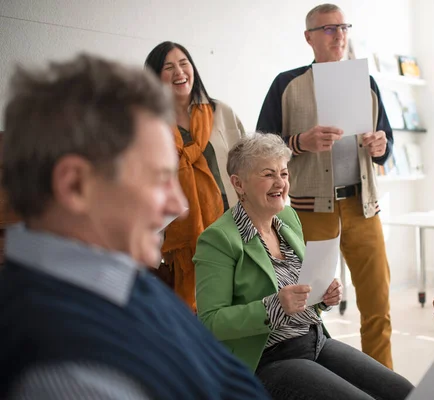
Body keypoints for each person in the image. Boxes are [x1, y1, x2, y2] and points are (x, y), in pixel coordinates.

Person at [0, 54, 269, 400]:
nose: (179, 205)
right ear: (75, 186)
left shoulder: (119, 277)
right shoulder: (66, 372)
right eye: (159, 179)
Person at [194, 133, 414, 399]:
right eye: (268, 174)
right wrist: (275, 306)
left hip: (315, 340)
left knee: (407, 392)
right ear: (238, 183)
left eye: (284, 173)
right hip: (268, 359)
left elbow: (301, 293)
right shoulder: (218, 239)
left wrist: (323, 297)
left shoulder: (287, 216)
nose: (280, 183)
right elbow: (210, 322)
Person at [256, 3, 395, 369]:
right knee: (307, 306)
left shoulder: (367, 82)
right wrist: (300, 142)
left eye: (343, 27)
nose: (339, 35)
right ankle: (314, 381)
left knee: (378, 305)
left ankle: (383, 385)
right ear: (309, 38)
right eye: (329, 29)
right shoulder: (287, 84)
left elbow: (386, 145)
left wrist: (381, 147)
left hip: (363, 208)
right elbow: (260, 148)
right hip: (307, 212)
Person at [145, 41, 245, 312]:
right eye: (168, 67)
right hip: (180, 245)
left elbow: (247, 164)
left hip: (233, 230)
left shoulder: (219, 112)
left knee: (239, 309)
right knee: (196, 318)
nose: (179, 72)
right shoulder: (146, 126)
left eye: (184, 63)